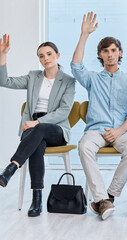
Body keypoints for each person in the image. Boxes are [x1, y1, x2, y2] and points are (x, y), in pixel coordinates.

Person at [71, 12, 127, 221]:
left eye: (113, 50)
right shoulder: (92, 78)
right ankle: (101, 199)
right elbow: (76, 66)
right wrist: (84, 35)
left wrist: (119, 130)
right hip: (96, 130)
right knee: (84, 146)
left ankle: (108, 196)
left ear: (120, 53)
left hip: (122, 130)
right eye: (105, 51)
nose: (110, 54)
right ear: (100, 55)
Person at [0, 34, 75, 217]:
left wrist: (37, 122)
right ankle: (37, 201)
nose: (45, 59)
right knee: (36, 145)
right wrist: (3, 54)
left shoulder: (68, 81)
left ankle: (11, 167)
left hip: (56, 129)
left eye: (49, 54)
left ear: (58, 54)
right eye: (41, 56)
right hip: (33, 129)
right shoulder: (33, 77)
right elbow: (4, 81)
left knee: (38, 129)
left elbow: (64, 112)